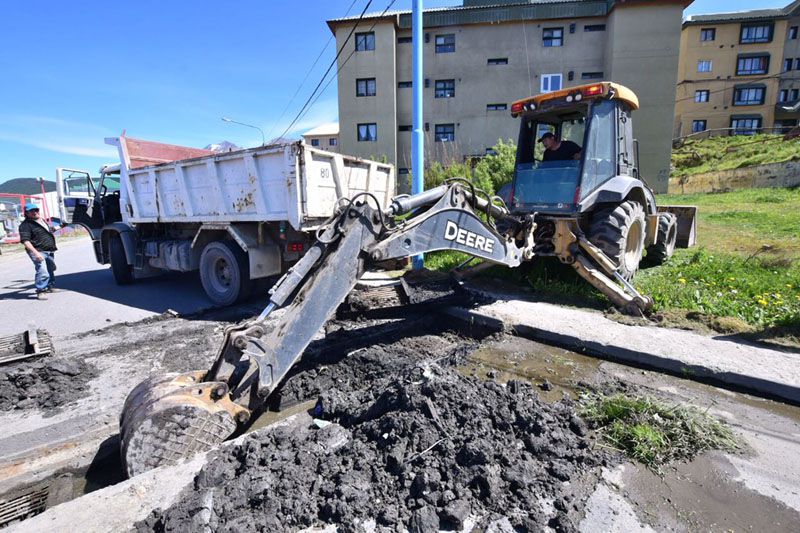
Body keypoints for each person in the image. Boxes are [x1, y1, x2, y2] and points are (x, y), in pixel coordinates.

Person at [19, 203, 58, 300]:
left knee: (50, 268)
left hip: (49, 250)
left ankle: (50, 286)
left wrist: (59, 227)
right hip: (37, 251)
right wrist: (36, 253)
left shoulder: (42, 220)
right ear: (27, 213)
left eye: (36, 210)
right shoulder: (25, 225)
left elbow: (47, 231)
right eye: (32, 211)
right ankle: (41, 290)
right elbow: (25, 241)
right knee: (42, 270)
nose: (35, 212)